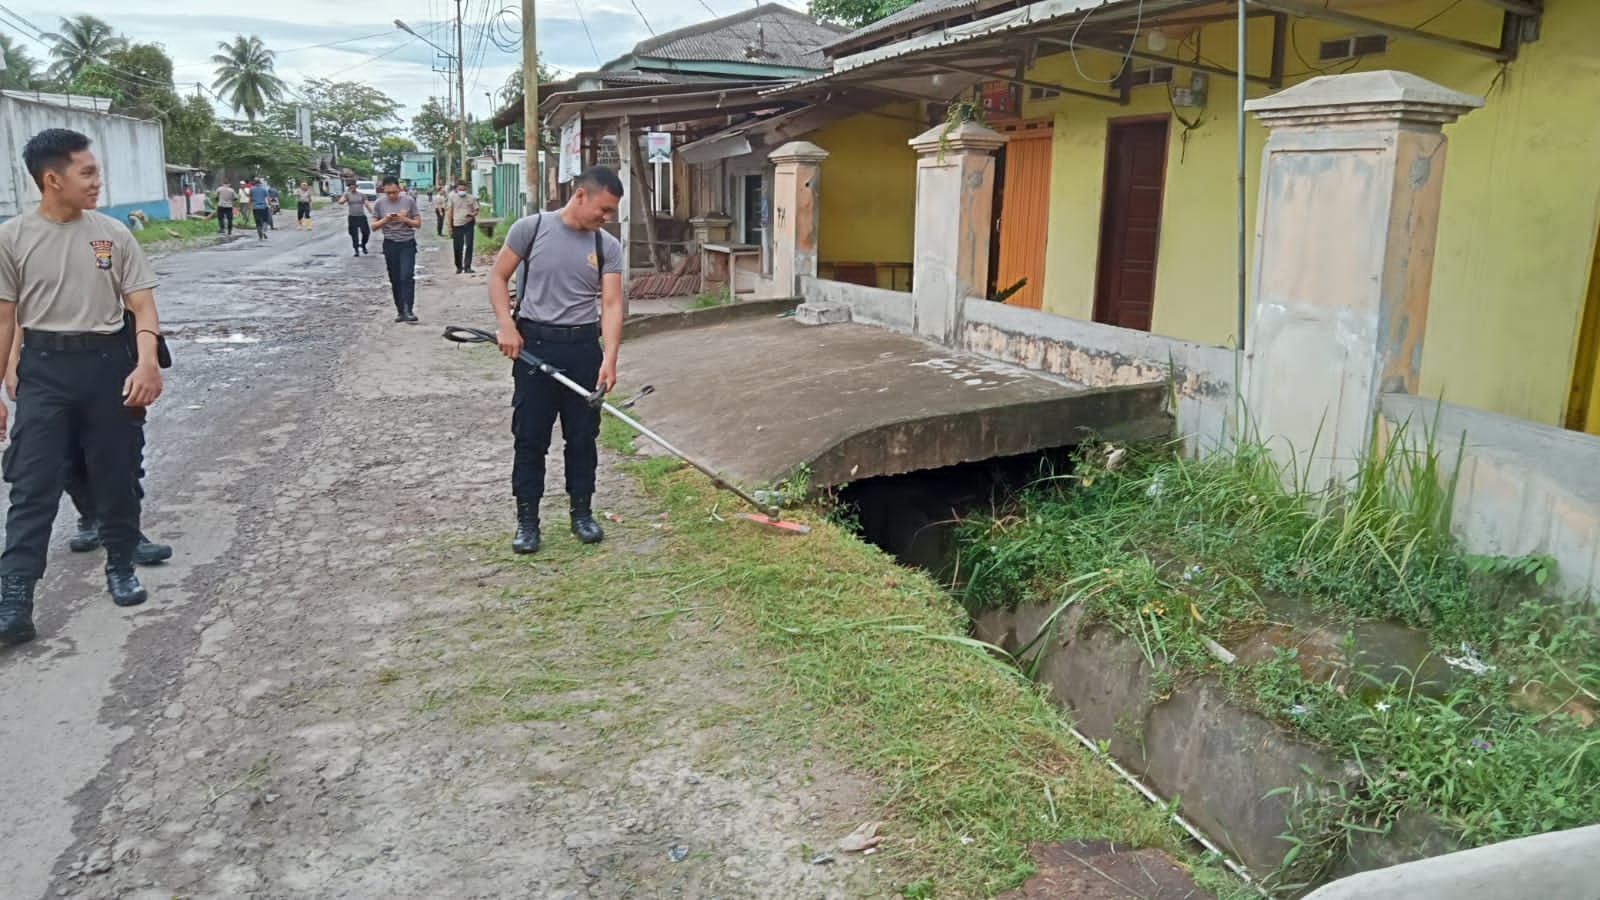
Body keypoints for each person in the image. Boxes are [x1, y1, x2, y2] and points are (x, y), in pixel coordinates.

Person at [0, 128, 166, 646]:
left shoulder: (113, 233)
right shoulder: (13, 237)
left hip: (106, 365)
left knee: (114, 470)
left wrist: (146, 365)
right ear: (53, 179)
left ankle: (121, 565)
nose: (98, 182)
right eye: (87, 172)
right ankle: (14, 599)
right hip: (44, 369)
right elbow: (5, 320)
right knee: (31, 484)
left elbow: (142, 305)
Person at [487, 166, 624, 555]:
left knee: (583, 438)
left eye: (611, 212)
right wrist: (505, 326)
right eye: (603, 209)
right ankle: (527, 521)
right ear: (580, 195)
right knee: (530, 438)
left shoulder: (606, 246)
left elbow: (612, 305)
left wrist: (609, 358)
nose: (606, 218)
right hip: (535, 348)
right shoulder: (530, 229)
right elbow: (498, 278)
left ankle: (582, 513)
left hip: (583, 349)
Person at [4, 329, 171, 566]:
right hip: (48, 358)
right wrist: (13, 363)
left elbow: (140, 305)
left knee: (123, 450)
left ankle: (127, 537)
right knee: (66, 449)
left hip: (112, 349)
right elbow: (17, 312)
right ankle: (91, 514)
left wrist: (147, 360)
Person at [372, 175, 422, 323]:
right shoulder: (379, 203)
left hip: (407, 243)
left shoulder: (409, 201)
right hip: (390, 244)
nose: (392, 195)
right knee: (395, 278)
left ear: (399, 189)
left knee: (406, 275)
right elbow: (373, 226)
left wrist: (405, 220)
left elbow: (418, 223)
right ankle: (400, 311)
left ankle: (409, 309)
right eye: (388, 193)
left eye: (394, 192)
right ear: (383, 191)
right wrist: (385, 220)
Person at [449, 179, 480, 274]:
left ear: (466, 189)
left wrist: (472, 215)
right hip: (457, 224)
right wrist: (450, 226)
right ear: (456, 189)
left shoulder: (471, 198)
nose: (462, 191)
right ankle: (459, 266)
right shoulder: (452, 197)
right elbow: (450, 212)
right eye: (460, 189)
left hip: (468, 224)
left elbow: (476, 210)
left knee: (469, 245)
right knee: (458, 246)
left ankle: (467, 266)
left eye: (464, 189)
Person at [334, 180, 372, 257]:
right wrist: (343, 197)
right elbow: (340, 202)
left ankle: (363, 245)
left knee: (366, 233)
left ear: (356, 187)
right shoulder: (347, 195)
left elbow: (367, 204)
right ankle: (356, 250)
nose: (352, 188)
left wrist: (372, 212)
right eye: (350, 187)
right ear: (349, 187)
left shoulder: (362, 195)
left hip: (361, 216)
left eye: (353, 186)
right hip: (352, 217)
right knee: (354, 234)